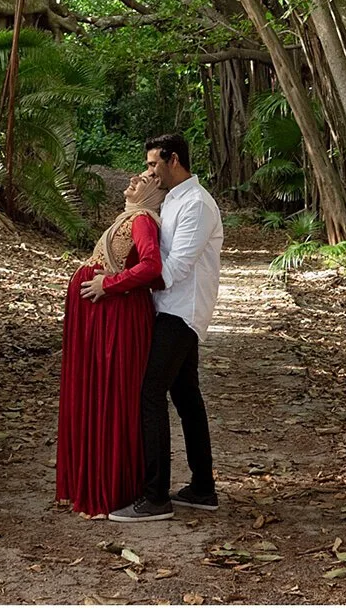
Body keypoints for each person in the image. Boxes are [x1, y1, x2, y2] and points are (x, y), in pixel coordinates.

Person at [93, 132, 222, 522]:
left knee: (149, 392)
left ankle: (155, 497)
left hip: (181, 311)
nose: (148, 171)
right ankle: (202, 488)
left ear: (174, 160)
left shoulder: (196, 205)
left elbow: (176, 267)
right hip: (168, 308)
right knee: (185, 396)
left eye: (153, 164)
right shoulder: (173, 202)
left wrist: (117, 283)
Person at [55, 173, 165, 516]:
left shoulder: (144, 220)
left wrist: (111, 285)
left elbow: (151, 267)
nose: (135, 178)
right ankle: (93, 484)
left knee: (110, 395)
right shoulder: (130, 217)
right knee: (94, 393)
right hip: (101, 318)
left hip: (116, 318)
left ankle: (111, 489)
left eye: (146, 177)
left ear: (154, 191)